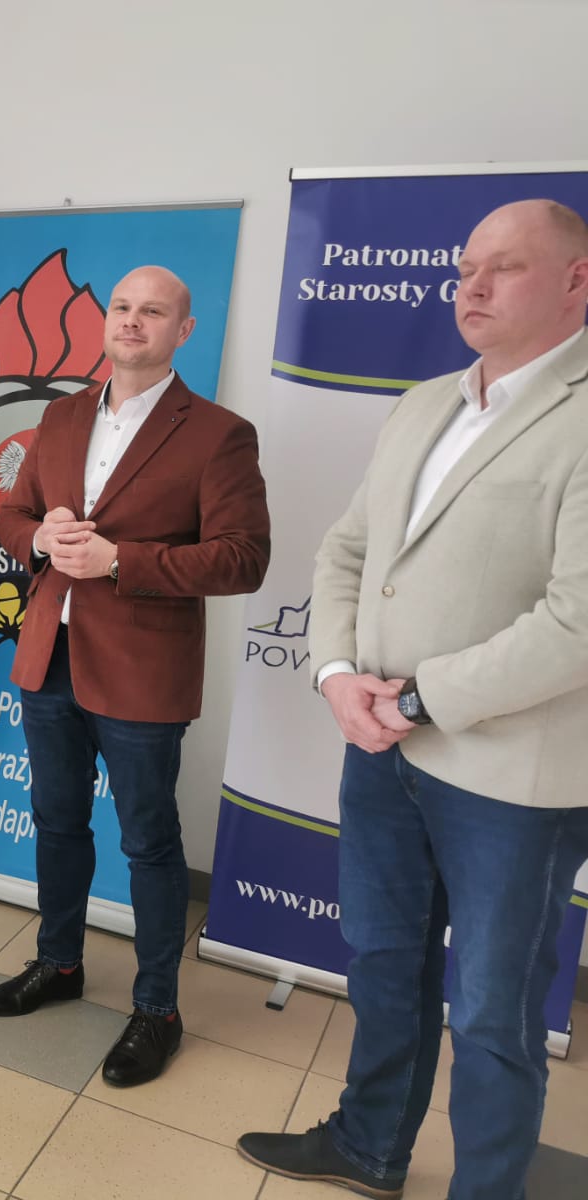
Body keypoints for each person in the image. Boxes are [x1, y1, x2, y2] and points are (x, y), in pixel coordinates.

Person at [237, 200, 588, 1199]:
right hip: (382, 750)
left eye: (503, 267)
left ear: (576, 281)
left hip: (510, 779)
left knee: (492, 1011)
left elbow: (577, 620)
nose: (471, 286)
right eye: (465, 267)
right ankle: (369, 1146)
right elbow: (348, 550)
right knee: (385, 962)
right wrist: (335, 673)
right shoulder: (424, 402)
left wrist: (421, 699)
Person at [0, 266, 270, 1087]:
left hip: (143, 670)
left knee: (148, 840)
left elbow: (244, 558)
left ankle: (157, 1009)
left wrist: (120, 561)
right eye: (121, 307)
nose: (132, 320)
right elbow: (12, 515)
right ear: (105, 321)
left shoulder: (219, 433)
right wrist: (41, 540)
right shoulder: (62, 414)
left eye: (153, 311)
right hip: (50, 656)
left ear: (184, 331)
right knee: (56, 821)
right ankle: (59, 963)